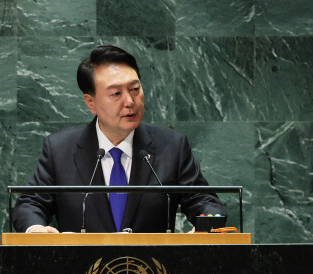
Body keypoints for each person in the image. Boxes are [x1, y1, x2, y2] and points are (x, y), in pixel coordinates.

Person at [13, 45, 226, 233]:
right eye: (116, 94)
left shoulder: (172, 146)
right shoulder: (60, 149)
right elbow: (30, 204)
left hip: (151, 273)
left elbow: (204, 201)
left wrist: (206, 226)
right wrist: (36, 230)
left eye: (135, 89)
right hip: (79, 272)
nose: (130, 101)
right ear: (91, 103)